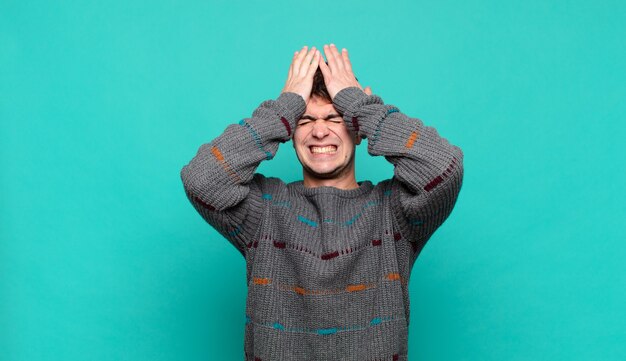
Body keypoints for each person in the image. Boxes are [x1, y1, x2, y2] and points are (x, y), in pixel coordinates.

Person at [180, 44, 464, 361]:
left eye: (334, 117)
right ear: (290, 131)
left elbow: (444, 169)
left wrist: (361, 107)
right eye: (304, 120)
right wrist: (283, 108)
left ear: (357, 130)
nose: (319, 131)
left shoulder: (394, 213)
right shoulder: (263, 211)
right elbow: (201, 179)